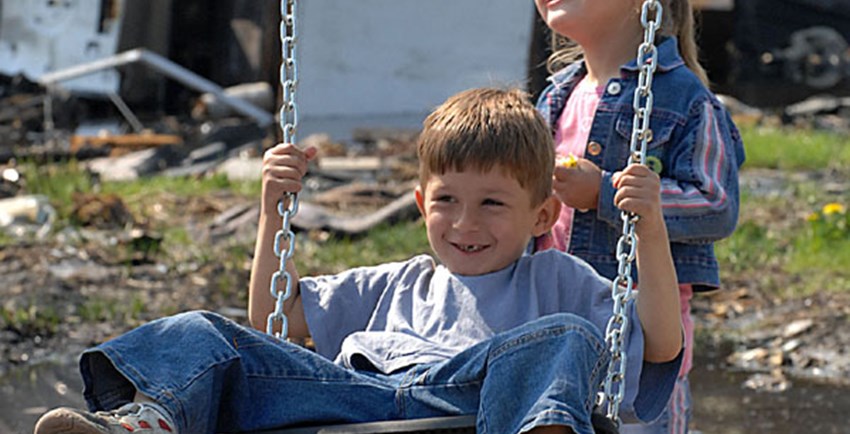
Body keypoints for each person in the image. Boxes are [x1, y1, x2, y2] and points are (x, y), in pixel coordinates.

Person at [34, 87, 683, 434]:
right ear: (420, 200)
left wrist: (646, 227)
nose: (464, 223)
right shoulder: (389, 284)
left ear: (542, 217)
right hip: (359, 402)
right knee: (204, 332)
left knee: (565, 339)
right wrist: (272, 214)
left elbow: (657, 346)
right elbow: (273, 329)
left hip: (475, 404)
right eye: (447, 201)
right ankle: (146, 424)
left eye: (492, 204)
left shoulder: (554, 279)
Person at [532, 1, 746, 433]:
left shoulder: (683, 99)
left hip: (639, 353)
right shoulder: (555, 96)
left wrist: (606, 193)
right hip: (551, 343)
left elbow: (715, 203)